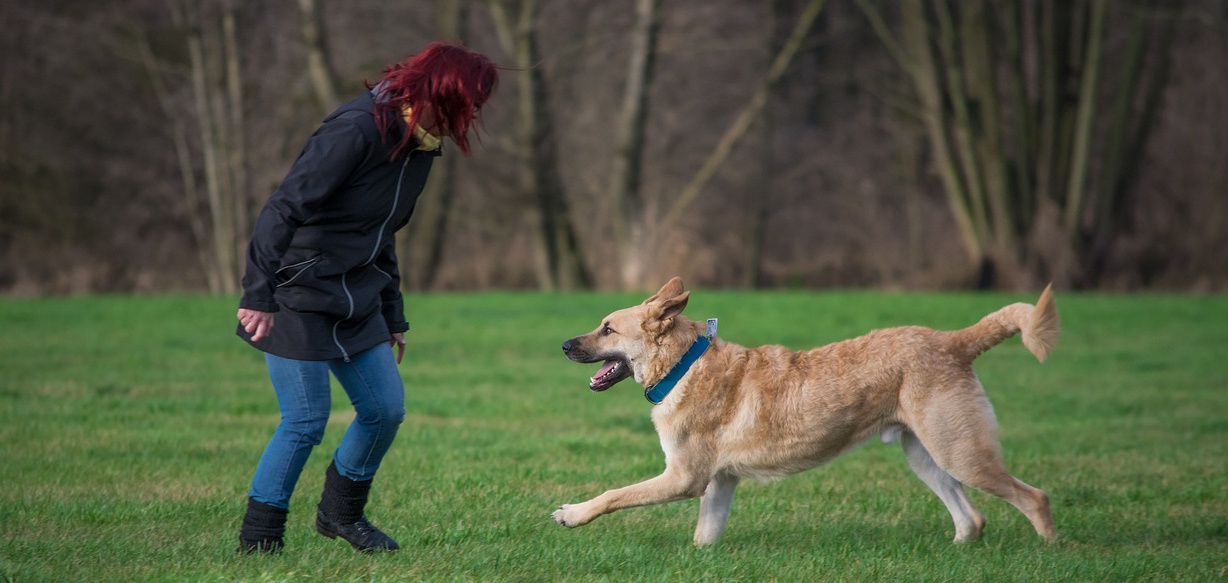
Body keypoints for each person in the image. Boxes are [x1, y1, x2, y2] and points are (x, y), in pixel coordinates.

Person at [234, 41, 499, 554]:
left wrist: (393, 314)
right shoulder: (355, 131)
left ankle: (340, 515)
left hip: (357, 296)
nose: (472, 117)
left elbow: (383, 234)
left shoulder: (421, 147)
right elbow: (282, 208)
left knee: (385, 410)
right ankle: (259, 540)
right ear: (441, 94)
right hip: (298, 291)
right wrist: (259, 292)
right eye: (470, 104)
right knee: (305, 422)